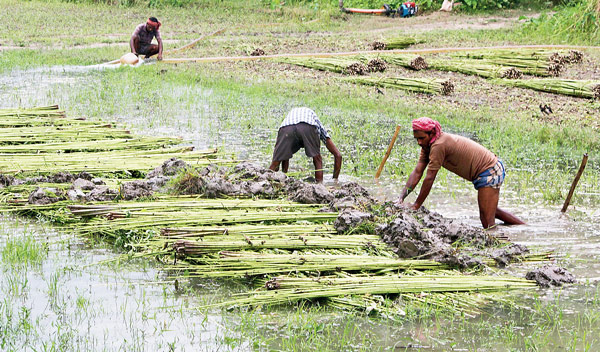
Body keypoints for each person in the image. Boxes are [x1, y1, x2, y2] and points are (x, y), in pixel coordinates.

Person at [397, 117, 525, 229]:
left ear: (431, 134)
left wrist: (416, 205)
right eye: (416, 139)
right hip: (487, 170)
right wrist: (401, 198)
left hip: (489, 170)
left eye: (421, 138)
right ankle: (524, 228)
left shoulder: (438, 145)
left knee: (487, 222)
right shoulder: (427, 145)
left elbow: (429, 178)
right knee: (491, 211)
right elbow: (417, 172)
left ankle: (499, 242)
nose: (419, 142)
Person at [269, 107, 342, 183]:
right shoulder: (317, 125)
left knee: (275, 163)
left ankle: (267, 182)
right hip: (307, 126)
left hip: (286, 129)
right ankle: (320, 186)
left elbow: (285, 156)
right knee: (317, 160)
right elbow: (338, 155)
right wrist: (335, 180)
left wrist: (283, 174)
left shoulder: (290, 118)